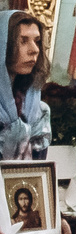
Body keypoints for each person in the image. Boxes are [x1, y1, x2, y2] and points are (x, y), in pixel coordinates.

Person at [0, 12, 48, 160]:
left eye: (37, 41)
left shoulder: (38, 110)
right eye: (23, 41)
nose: (34, 50)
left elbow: (38, 170)